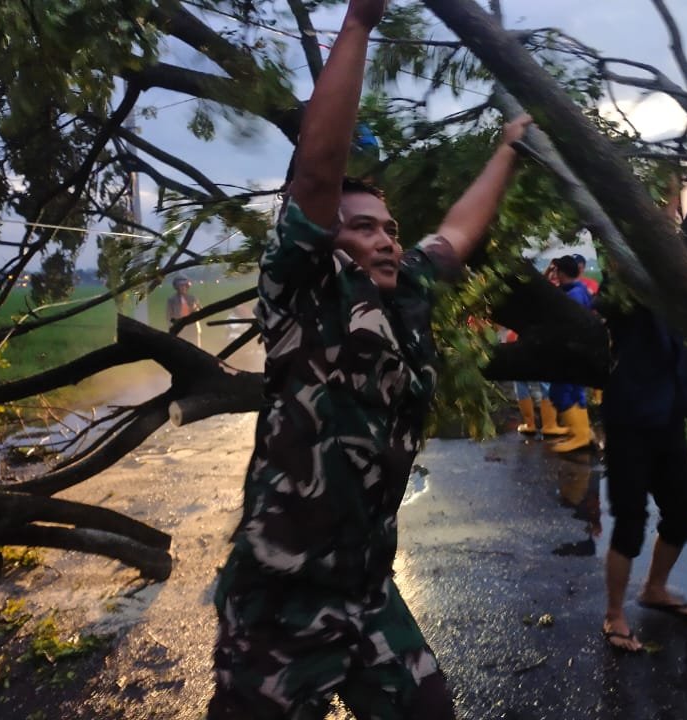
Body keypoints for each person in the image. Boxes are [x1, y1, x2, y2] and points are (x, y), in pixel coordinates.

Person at [208, 2, 535, 717]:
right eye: (363, 228)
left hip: (365, 589)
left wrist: (512, 146)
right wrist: (358, 21)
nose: (387, 239)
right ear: (325, 240)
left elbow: (455, 235)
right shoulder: (300, 293)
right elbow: (319, 174)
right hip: (281, 602)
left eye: (390, 229)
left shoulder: (404, 290)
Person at [594, 161, 687, 651]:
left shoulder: (662, 285)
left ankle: (654, 588)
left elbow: (678, 239)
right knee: (629, 523)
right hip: (629, 420)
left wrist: (679, 190)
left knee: (682, 514)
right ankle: (613, 613)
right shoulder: (620, 287)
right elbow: (679, 240)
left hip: (665, 416)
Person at [545, 255, 594, 453]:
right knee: (576, 393)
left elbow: (570, 327)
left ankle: (580, 435)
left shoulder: (572, 296)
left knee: (560, 392)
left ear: (561, 273)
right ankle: (583, 433)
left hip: (570, 353)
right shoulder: (579, 290)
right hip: (580, 352)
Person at [166, 275, 202, 348]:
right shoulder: (171, 300)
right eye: (180, 286)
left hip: (192, 327)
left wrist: (195, 311)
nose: (183, 287)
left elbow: (200, 310)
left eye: (184, 285)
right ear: (176, 287)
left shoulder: (193, 298)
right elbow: (169, 315)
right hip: (179, 327)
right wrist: (173, 325)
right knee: (181, 348)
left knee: (195, 348)